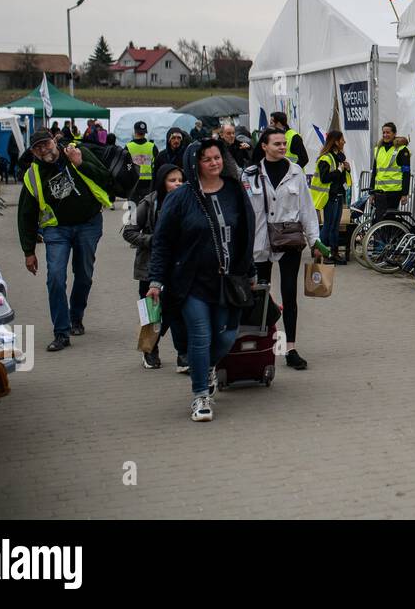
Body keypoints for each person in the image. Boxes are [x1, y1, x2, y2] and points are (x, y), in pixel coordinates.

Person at [148, 140, 255, 422]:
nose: (213, 163)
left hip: (228, 279)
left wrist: (250, 270)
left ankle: (206, 367)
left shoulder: (234, 191)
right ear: (195, 164)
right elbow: (162, 242)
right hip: (191, 280)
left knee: (226, 336)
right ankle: (200, 397)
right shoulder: (181, 197)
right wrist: (156, 280)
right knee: (200, 334)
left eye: (217, 157)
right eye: (206, 159)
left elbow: (246, 234)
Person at [17, 129, 114, 351]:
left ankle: (76, 317)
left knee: (83, 275)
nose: (44, 149)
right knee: (55, 279)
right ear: (33, 151)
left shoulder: (76, 153)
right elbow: (26, 214)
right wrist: (28, 250)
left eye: (46, 143)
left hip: (88, 224)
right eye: (37, 147)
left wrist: (80, 164)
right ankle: (61, 332)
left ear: (54, 141)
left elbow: (107, 179)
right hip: (56, 231)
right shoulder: (33, 175)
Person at [243, 127, 320, 371]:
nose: (282, 147)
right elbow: (243, 212)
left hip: (289, 242)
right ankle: (263, 344)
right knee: (260, 295)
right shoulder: (250, 174)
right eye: (276, 143)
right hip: (260, 243)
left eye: (284, 143)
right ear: (264, 146)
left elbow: (306, 209)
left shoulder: (296, 172)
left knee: (289, 293)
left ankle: (290, 349)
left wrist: (315, 240)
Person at [122, 163, 187, 370]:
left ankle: (183, 355)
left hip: (179, 267)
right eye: (172, 180)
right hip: (150, 268)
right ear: (162, 183)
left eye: (180, 180)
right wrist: (155, 240)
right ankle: (149, 350)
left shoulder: (189, 202)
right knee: (153, 313)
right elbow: (128, 231)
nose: (178, 184)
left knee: (177, 311)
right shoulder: (148, 203)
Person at [311, 131, 352, 264]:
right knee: (328, 226)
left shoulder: (339, 156)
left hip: (339, 195)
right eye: (342, 139)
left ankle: (334, 253)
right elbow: (324, 178)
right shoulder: (325, 158)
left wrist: (347, 169)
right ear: (335, 141)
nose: (344, 142)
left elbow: (341, 176)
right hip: (329, 196)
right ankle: (322, 253)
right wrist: (339, 170)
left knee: (335, 226)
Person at [370, 122, 410, 217]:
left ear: (394, 134)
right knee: (379, 220)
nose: (385, 135)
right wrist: (371, 192)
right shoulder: (378, 149)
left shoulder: (402, 150)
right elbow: (375, 172)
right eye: (383, 132)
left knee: (389, 219)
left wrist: (405, 193)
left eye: (388, 132)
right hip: (379, 192)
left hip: (394, 192)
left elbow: (406, 173)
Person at [126, 120, 159, 200]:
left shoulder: (128, 147)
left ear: (135, 132)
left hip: (133, 183)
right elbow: (157, 164)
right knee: (146, 209)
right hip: (148, 183)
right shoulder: (152, 146)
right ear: (145, 133)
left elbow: (126, 166)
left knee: (133, 209)